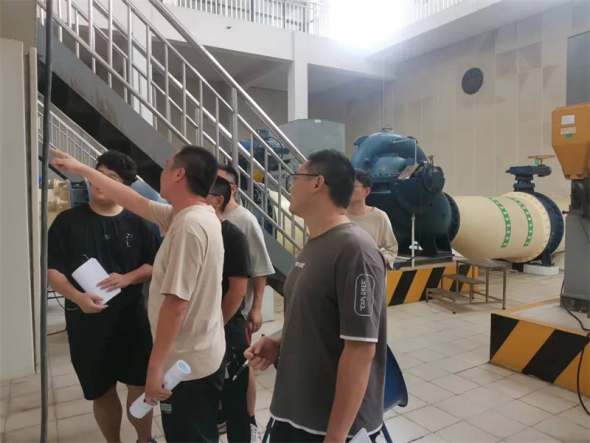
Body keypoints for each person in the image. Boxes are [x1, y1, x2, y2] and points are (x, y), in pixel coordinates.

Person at [50, 145, 226, 443]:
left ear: (179, 174)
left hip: (186, 364)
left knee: (189, 435)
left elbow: (176, 305)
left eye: (167, 166)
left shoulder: (189, 226)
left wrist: (154, 369)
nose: (161, 172)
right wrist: (80, 169)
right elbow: (134, 200)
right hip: (196, 355)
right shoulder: (188, 215)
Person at [245, 150, 387, 443]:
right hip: (295, 410)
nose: (290, 185)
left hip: (327, 426)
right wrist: (279, 343)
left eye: (295, 178)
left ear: (317, 183)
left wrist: (336, 436)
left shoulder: (354, 250)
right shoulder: (315, 244)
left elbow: (361, 350)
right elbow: (317, 316)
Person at [47, 151, 159, 443]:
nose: (101, 182)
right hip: (86, 323)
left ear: (125, 186)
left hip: (131, 321)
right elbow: (53, 270)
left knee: (139, 384)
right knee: (101, 390)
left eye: (112, 178)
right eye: (99, 174)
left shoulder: (139, 223)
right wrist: (78, 297)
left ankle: (145, 439)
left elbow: (154, 264)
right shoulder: (67, 222)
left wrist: (128, 278)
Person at [218, 164, 274, 442]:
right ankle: (225, 414)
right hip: (216, 312)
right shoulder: (205, 216)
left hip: (238, 312)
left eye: (219, 183)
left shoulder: (244, 220)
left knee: (241, 366)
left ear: (232, 189)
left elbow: (260, 268)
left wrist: (256, 307)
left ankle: (248, 419)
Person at [206, 176, 252, 443]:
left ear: (217, 200)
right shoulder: (193, 230)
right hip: (201, 332)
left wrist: (214, 327)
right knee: (205, 405)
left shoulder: (233, 236)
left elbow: (237, 291)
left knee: (235, 405)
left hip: (226, 330)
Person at [346, 169, 398, 269]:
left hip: (370, 273)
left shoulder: (379, 217)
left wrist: (371, 261)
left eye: (354, 185)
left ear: (367, 191)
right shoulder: (337, 215)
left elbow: (391, 250)